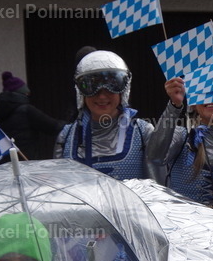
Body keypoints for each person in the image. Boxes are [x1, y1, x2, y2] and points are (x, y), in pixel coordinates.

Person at [147, 78, 213, 215]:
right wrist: (174, 105)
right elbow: (154, 156)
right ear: (194, 103)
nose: (212, 98)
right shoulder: (182, 137)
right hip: (183, 228)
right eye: (204, 92)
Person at [54, 50, 155, 180]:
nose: (102, 96)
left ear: (123, 91)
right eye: (92, 88)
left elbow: (159, 186)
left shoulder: (143, 133)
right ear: (81, 92)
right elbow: (59, 186)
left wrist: (174, 107)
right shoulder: (66, 137)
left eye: (112, 87)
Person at [0, 71, 65, 160]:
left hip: (6, 163)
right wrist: (70, 126)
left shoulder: (0, 113)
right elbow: (53, 127)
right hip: (27, 162)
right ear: (22, 93)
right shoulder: (26, 111)